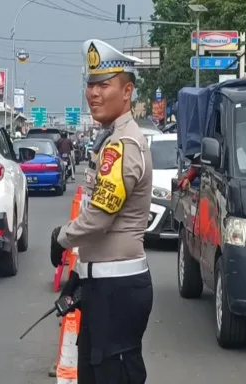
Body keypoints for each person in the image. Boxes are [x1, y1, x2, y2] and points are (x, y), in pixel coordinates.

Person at [50, 39, 153, 384]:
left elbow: (100, 216)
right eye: (90, 85)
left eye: (103, 85)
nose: (93, 93)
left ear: (127, 92)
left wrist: (61, 238)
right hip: (104, 284)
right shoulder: (110, 139)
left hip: (118, 289)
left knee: (113, 373)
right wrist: (81, 274)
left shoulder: (122, 145)